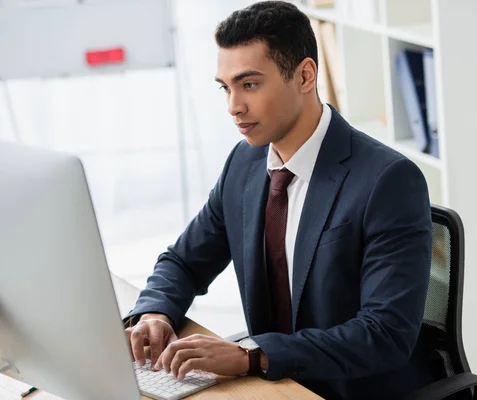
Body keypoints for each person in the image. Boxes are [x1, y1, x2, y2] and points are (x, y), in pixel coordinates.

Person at [124, 1, 434, 398]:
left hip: (350, 390)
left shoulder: (387, 180)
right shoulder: (246, 162)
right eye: (226, 87)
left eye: (249, 84)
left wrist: (252, 357)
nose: (234, 106)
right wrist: (155, 311)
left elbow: (384, 334)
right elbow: (184, 260)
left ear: (304, 75)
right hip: (274, 383)